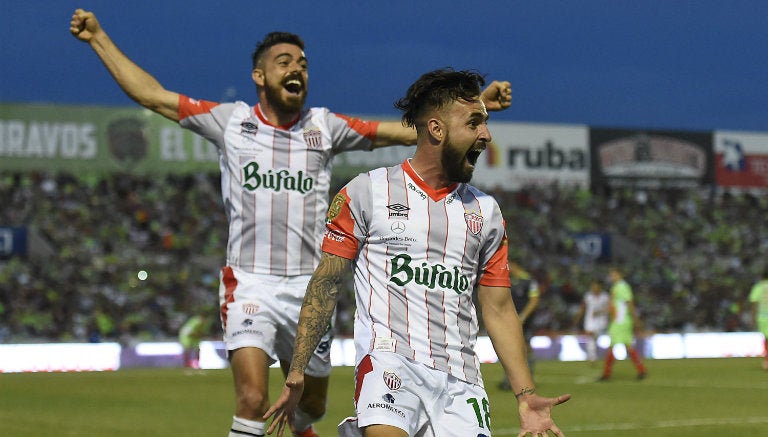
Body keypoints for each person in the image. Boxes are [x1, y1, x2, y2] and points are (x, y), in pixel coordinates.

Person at [70, 10, 513, 437]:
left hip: (309, 289)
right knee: (251, 399)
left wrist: (462, 114)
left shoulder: (323, 126)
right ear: (259, 77)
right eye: (284, 62)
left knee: (313, 406)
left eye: (302, 62)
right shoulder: (231, 122)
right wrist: (98, 39)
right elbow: (153, 96)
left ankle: (304, 429)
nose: (296, 68)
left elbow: (396, 132)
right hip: (250, 284)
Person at [264, 68, 570, 437]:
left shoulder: (486, 212)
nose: (486, 135)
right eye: (474, 123)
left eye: (485, 123)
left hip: (462, 382)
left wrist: (526, 395)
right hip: (389, 365)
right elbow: (326, 282)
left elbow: (499, 307)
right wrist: (298, 370)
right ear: (437, 130)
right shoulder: (366, 192)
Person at [497, 261, 543, 390]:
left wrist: (523, 316)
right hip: (510, 321)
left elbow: (534, 300)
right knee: (509, 349)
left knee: (525, 349)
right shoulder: (509, 280)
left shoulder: (529, 281)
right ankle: (509, 381)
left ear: (515, 265)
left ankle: (528, 380)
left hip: (525, 322)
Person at [598, 268, 646, 381]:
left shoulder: (622, 287)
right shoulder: (616, 287)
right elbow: (614, 306)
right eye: (611, 275)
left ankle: (606, 374)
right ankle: (641, 370)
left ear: (620, 275)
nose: (612, 277)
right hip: (619, 321)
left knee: (613, 346)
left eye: (614, 275)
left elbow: (629, 302)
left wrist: (636, 319)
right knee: (627, 346)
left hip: (621, 321)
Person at [572, 279, 610, 363]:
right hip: (590, 321)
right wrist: (577, 318)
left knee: (595, 338)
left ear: (600, 287)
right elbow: (583, 307)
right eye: (592, 287)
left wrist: (600, 312)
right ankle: (592, 357)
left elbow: (610, 308)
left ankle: (596, 355)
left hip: (602, 321)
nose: (594, 288)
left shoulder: (605, 296)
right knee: (591, 337)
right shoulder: (588, 296)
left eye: (596, 287)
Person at [748, 268, 768, 370]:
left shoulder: (758, 287)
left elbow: (754, 303)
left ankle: (767, 361)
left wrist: (752, 317)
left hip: (763, 317)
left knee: (766, 338)